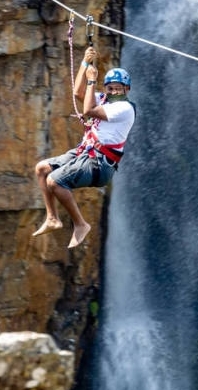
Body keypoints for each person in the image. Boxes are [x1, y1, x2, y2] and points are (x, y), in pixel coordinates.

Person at [33, 46, 136, 248]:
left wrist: (91, 79)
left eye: (118, 87)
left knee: (54, 182)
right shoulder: (105, 100)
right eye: (110, 87)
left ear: (127, 89)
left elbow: (88, 109)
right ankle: (52, 218)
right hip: (86, 152)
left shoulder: (125, 109)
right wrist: (84, 63)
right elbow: (79, 92)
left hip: (100, 165)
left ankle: (81, 224)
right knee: (42, 169)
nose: (113, 91)